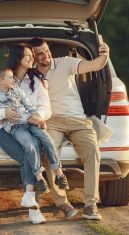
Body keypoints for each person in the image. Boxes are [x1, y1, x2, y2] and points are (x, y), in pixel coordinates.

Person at [29, 37, 110, 220]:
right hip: (52, 122)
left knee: (92, 150)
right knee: (49, 154)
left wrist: (105, 54)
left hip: (78, 120)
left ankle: (90, 204)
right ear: (32, 56)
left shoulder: (65, 63)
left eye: (46, 50)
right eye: (40, 54)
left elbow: (95, 65)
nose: (46, 55)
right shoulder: (30, 75)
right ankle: (62, 203)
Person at [0, 43, 73, 224]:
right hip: (4, 128)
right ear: (18, 58)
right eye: (28, 55)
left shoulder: (37, 80)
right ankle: (33, 209)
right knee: (28, 154)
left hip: (28, 126)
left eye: (32, 54)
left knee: (34, 150)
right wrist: (4, 113)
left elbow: (45, 106)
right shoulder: (4, 79)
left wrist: (38, 116)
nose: (32, 58)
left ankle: (32, 204)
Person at [0, 66, 69, 196]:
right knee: (29, 146)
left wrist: (38, 118)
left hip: (31, 122)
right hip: (16, 128)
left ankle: (59, 173)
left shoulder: (17, 90)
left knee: (46, 139)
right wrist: (4, 113)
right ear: (0, 81)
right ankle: (39, 177)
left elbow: (30, 106)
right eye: (9, 77)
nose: (12, 79)